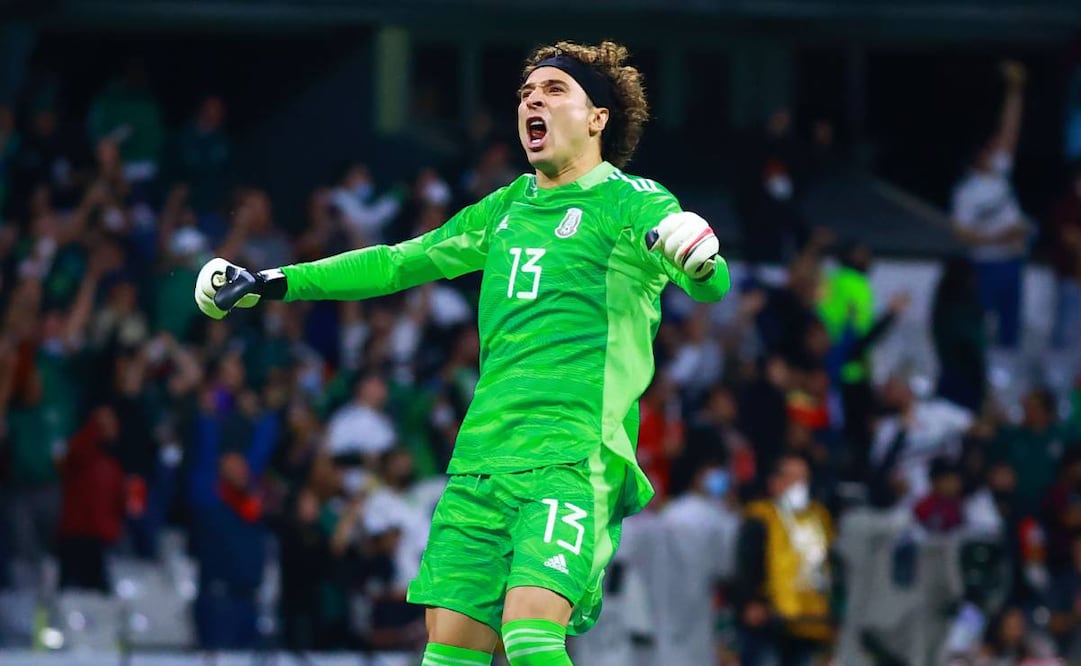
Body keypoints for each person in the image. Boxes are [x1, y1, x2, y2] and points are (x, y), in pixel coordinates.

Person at [193, 40, 730, 666]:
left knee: (531, 636)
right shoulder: (504, 210)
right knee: (449, 652)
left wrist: (700, 257)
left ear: (597, 118)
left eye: (555, 90)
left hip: (571, 456)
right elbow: (397, 263)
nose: (534, 99)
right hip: (480, 463)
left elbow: (706, 280)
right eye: (527, 92)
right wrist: (275, 281)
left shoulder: (631, 200)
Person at [950, 60, 1031, 351]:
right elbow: (961, 233)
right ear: (977, 154)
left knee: (1012, 328)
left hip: (1013, 260)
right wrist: (999, 237)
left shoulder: (998, 173)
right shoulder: (966, 192)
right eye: (988, 148)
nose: (995, 149)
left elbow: (1010, 130)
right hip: (985, 264)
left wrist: (1015, 89)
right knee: (980, 324)